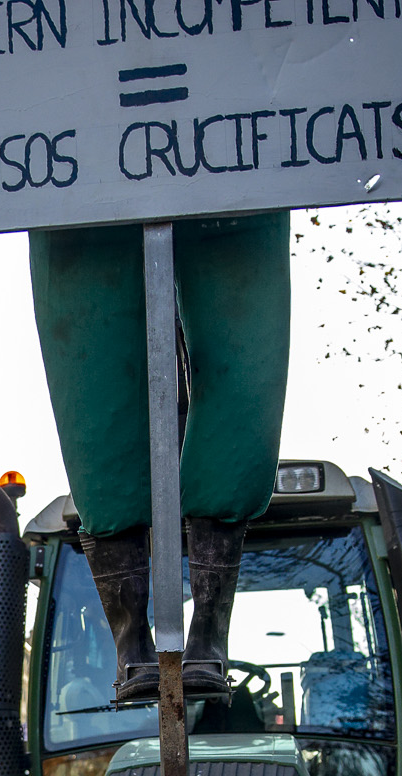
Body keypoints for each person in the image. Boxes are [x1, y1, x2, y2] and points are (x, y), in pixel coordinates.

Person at [28, 212, 291, 703]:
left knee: (244, 340)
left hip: (224, 179)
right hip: (76, 194)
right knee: (91, 364)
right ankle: (131, 640)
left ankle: (209, 629)